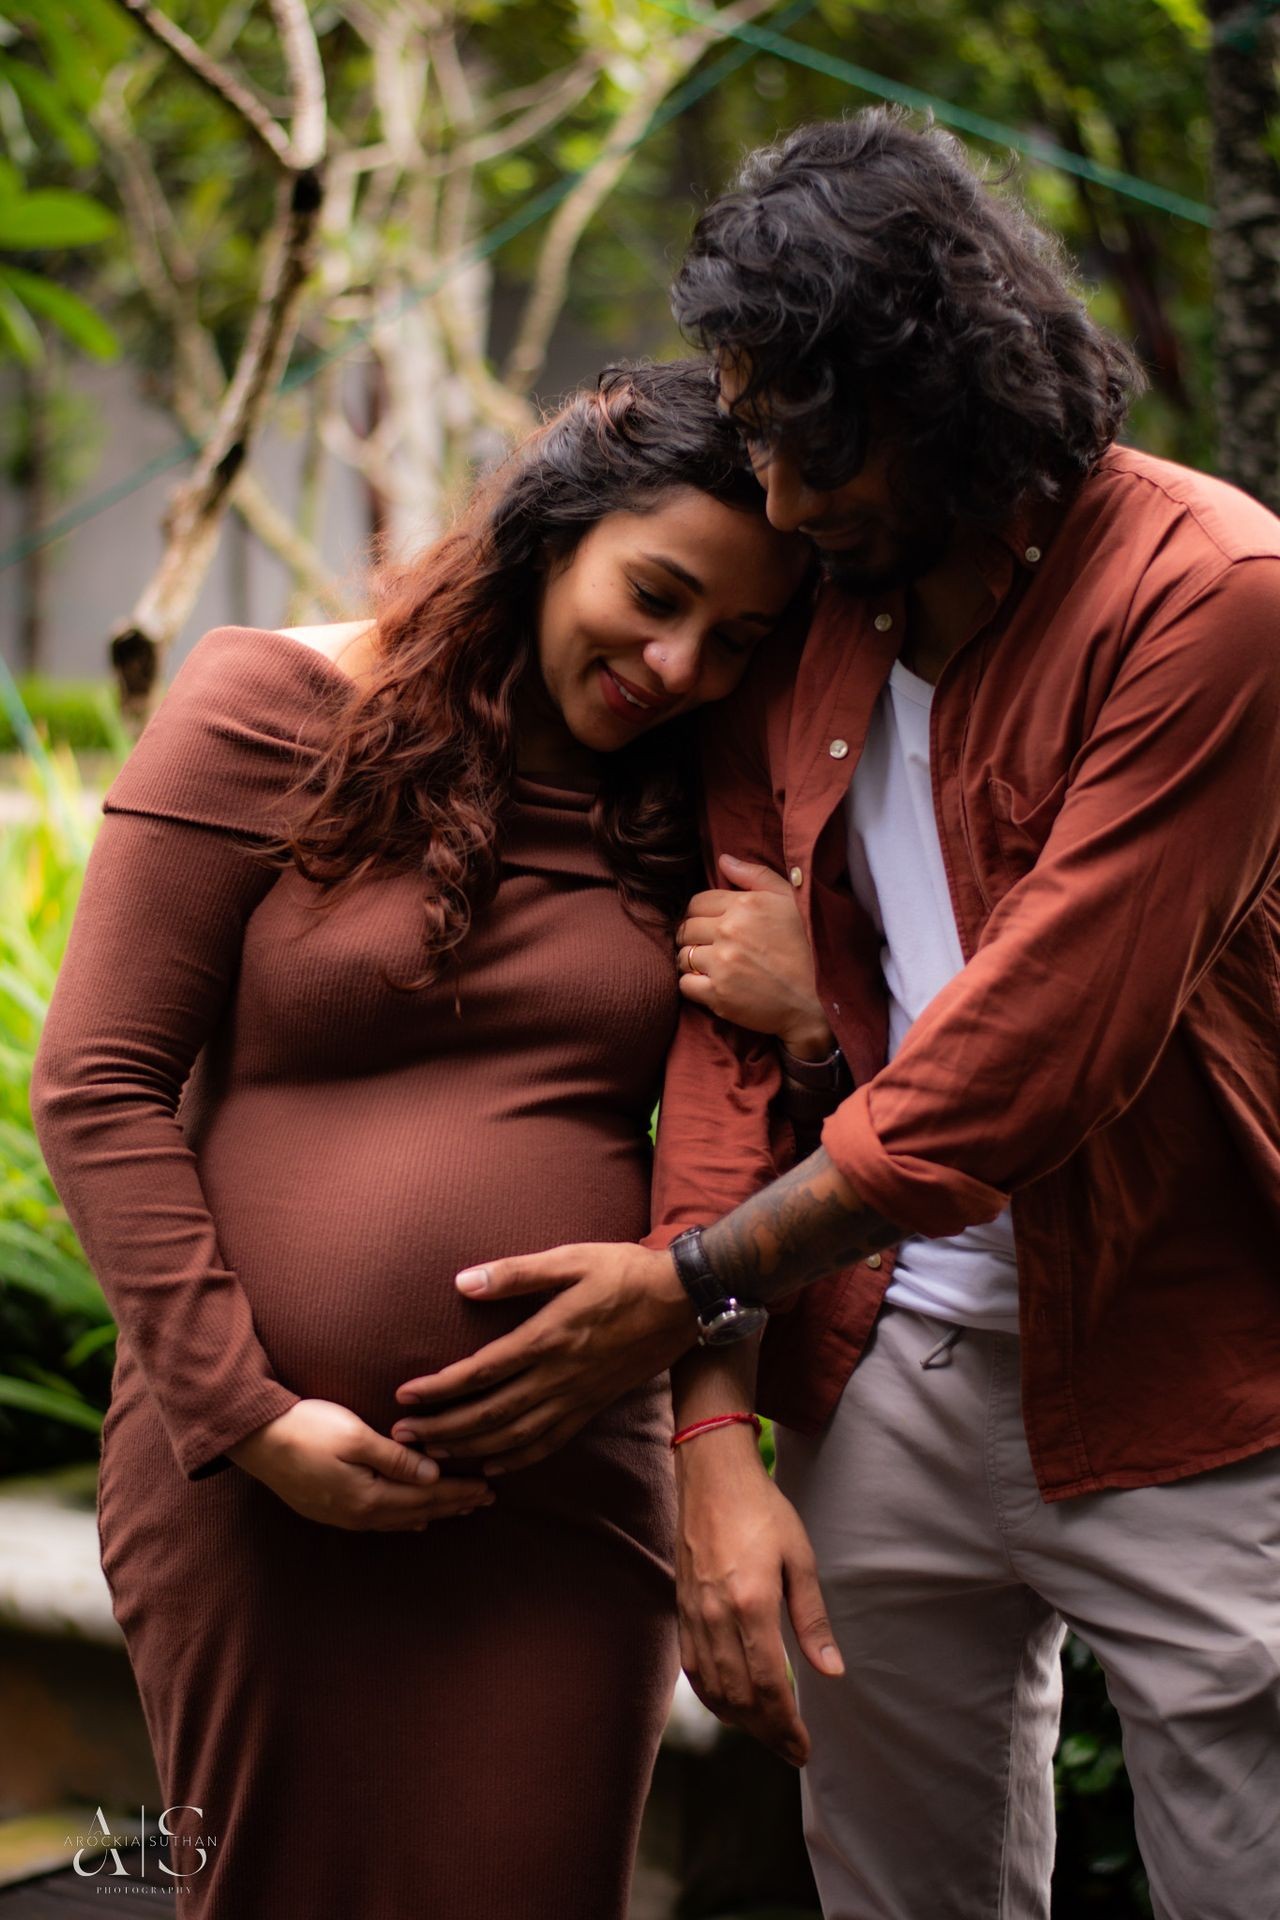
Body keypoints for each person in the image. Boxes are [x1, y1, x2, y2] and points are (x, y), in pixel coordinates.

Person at [389, 113, 1280, 1920]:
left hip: (1199, 1382)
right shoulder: (819, 615)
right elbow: (727, 1034)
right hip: (881, 1370)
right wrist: (716, 1441)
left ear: (945, 387)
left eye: (814, 444)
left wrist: (700, 1274)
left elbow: (1040, 1051)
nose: (781, 505)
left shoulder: (1214, 598)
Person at [29, 360, 813, 1920]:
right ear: (558, 524)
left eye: (736, 642)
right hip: (256, 1490)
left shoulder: (702, 811)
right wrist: (248, 1419)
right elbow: (97, 1081)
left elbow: (778, 1148)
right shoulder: (269, 706)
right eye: (653, 595)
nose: (675, 666)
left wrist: (813, 1017)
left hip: (560, 1505)